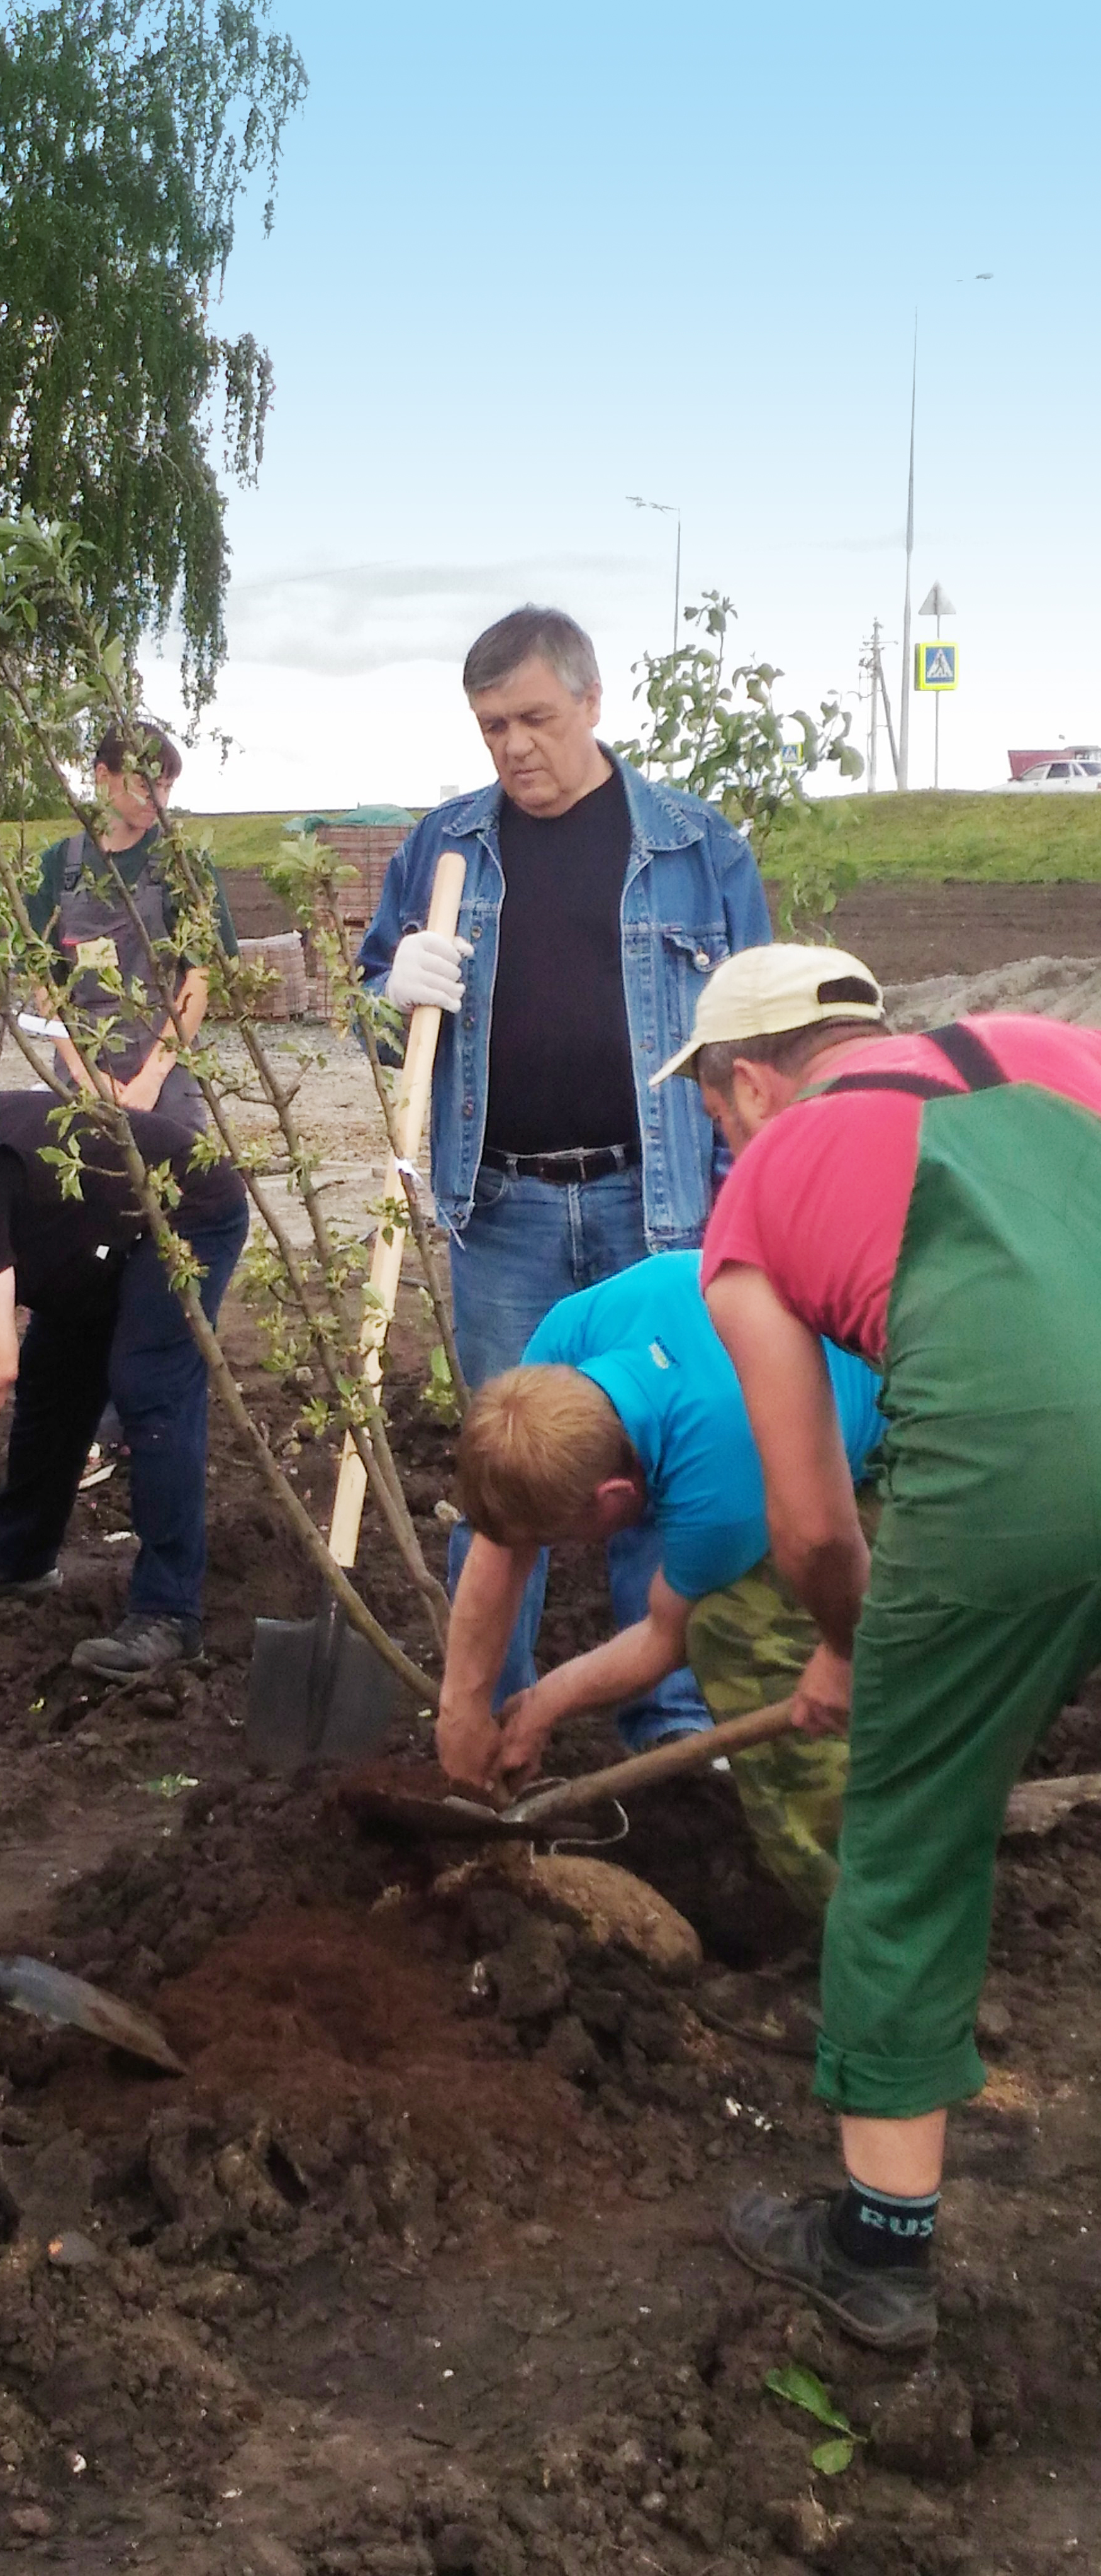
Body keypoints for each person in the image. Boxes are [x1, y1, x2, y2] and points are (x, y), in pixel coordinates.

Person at [674, 943, 1101, 2351]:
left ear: (749, 1080)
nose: (720, 1134)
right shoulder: (1048, 1054)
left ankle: (876, 2253)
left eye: (715, 1106)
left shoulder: (762, 1187)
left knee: (910, 1842)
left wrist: (857, 1652)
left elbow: (806, 1528)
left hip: (1025, 1469)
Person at [358, 606, 770, 1751]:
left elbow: (755, 1042)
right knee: (512, 1472)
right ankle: (486, 1716)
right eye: (491, 726)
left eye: (534, 718)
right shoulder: (443, 852)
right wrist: (389, 988)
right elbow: (371, 1015)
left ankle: (666, 1727)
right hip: (505, 1209)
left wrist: (745, 1201)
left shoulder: (697, 850)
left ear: (591, 702)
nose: (513, 747)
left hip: (664, 1205)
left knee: (665, 1453)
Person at [433, 1250, 885, 1919]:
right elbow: (503, 1545)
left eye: (564, 1536)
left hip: (923, 1443)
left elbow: (667, 1635)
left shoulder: (724, 1482)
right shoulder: (558, 1357)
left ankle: (861, 1910)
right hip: (817, 1375)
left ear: (613, 1499)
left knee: (740, 1636)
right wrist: (461, 1711)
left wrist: (546, 1702)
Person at [0, 1092, 249, 1677]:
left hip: (181, 1205)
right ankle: (20, 1558)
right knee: (52, 1384)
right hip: (84, 1241)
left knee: (149, 1385)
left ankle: (170, 1612)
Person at [25, 723, 239, 1129]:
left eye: (166, 787)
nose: (157, 800)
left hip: (165, 1067)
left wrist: (152, 1078)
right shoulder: (54, 868)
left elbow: (201, 977)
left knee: (184, 1178)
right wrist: (85, 1074)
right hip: (83, 1065)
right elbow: (46, 984)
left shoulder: (183, 865)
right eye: (144, 784)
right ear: (103, 777)